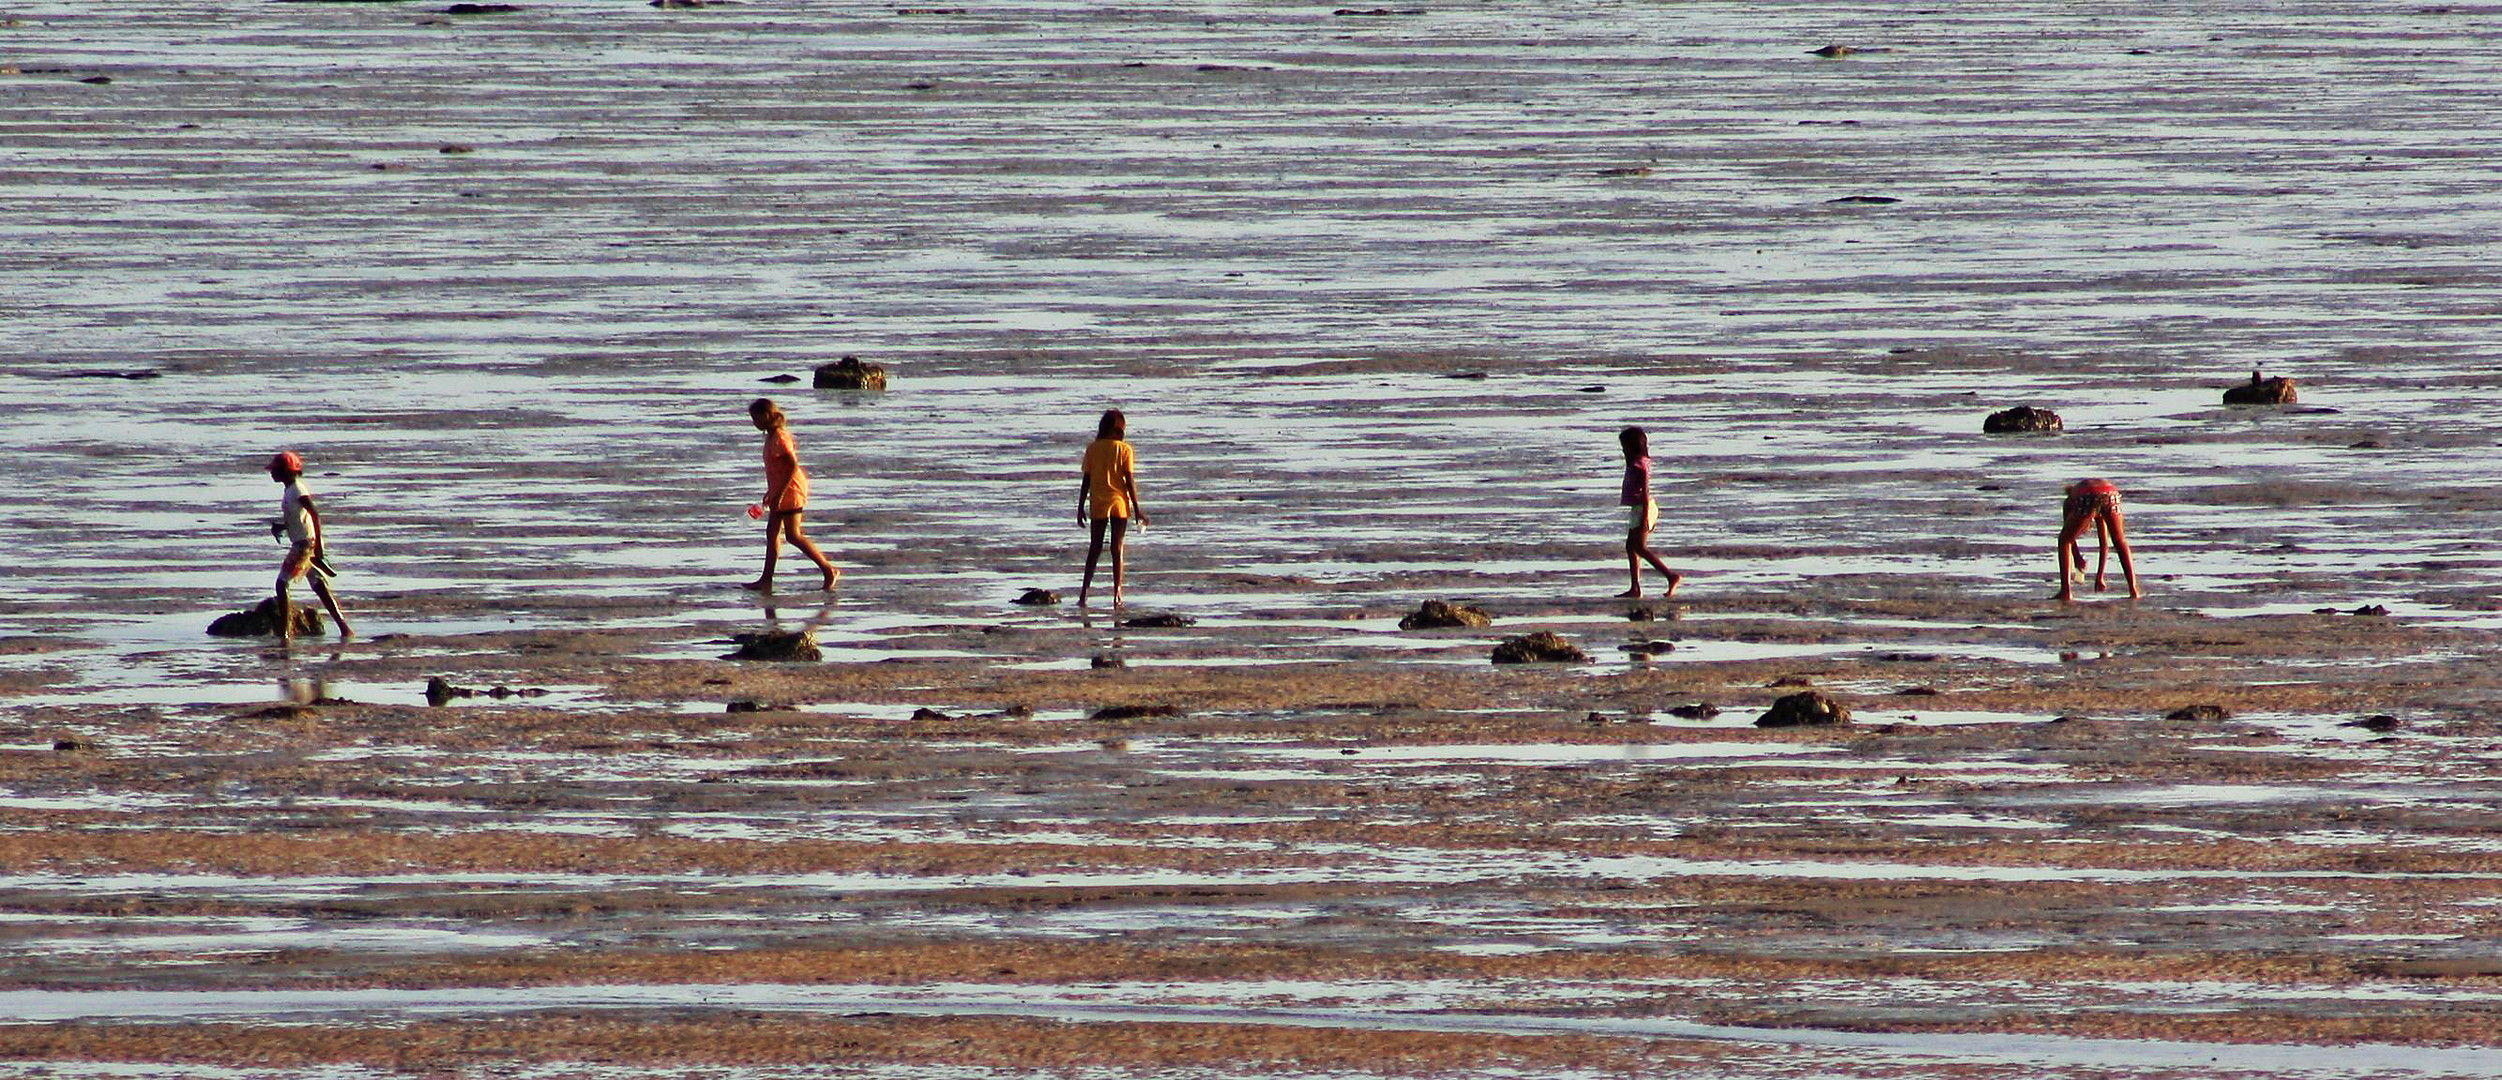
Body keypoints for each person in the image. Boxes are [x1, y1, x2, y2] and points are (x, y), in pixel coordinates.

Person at [744, 398, 837, 592]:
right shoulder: (770, 436)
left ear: (767, 416)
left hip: (791, 490)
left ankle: (828, 570)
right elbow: (776, 470)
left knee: (793, 535)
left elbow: (792, 467)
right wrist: (771, 492)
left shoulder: (779, 437)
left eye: (756, 418)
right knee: (772, 533)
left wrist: (780, 493)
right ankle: (766, 579)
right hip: (779, 491)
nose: (754, 423)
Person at [266, 451, 351, 640]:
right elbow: (298, 518)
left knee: (282, 584)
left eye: (275, 470)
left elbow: (314, 513)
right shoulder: (289, 490)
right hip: (305, 542)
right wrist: (281, 526)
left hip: (305, 544)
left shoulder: (297, 489)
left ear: (286, 471)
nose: (272, 473)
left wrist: (318, 546)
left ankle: (285, 632)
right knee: (319, 585)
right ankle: (344, 628)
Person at [1077, 408, 1147, 607]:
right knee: (1117, 548)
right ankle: (1117, 593)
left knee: (1095, 548)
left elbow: (1086, 480)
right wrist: (1137, 509)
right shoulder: (1125, 450)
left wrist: (1080, 506)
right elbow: (1129, 482)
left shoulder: (1093, 448)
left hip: (1098, 502)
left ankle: (1084, 593)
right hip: (1119, 503)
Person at [1616, 426, 1682, 599]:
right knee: (1630, 547)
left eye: (1625, 447)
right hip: (1637, 508)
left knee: (1639, 547)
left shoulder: (1640, 465)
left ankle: (1670, 576)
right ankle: (1635, 587)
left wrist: (1645, 515)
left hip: (1644, 507)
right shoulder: (1636, 462)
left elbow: (1645, 492)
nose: (1623, 451)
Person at [2057, 478, 2140, 602]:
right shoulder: (2097, 509)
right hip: (2111, 494)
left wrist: (2077, 558)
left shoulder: (2070, 502)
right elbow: (2104, 543)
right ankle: (2133, 590)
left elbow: (2068, 539)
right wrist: (2100, 576)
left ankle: (2066, 591)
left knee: (2063, 540)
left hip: (2088, 495)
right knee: (2119, 541)